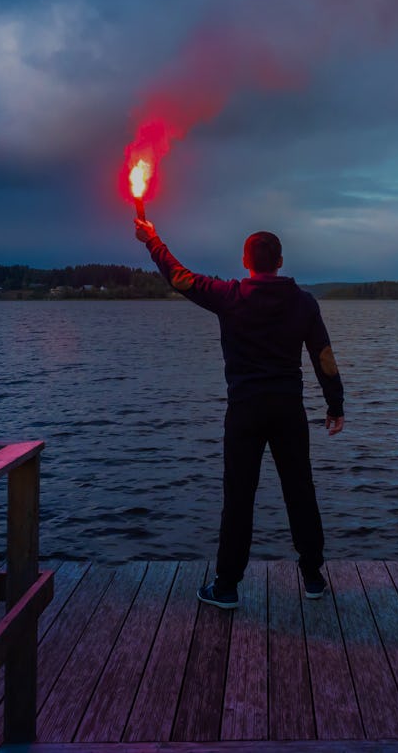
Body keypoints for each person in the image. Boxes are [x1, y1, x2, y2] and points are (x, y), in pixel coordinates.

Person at [135, 219, 344, 608]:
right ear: (280, 261)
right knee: (300, 492)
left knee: (239, 499)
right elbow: (323, 356)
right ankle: (313, 577)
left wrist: (153, 241)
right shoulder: (303, 302)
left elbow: (179, 278)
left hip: (245, 411)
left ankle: (227, 586)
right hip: (288, 411)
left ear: (244, 261)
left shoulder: (230, 295)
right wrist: (335, 405)